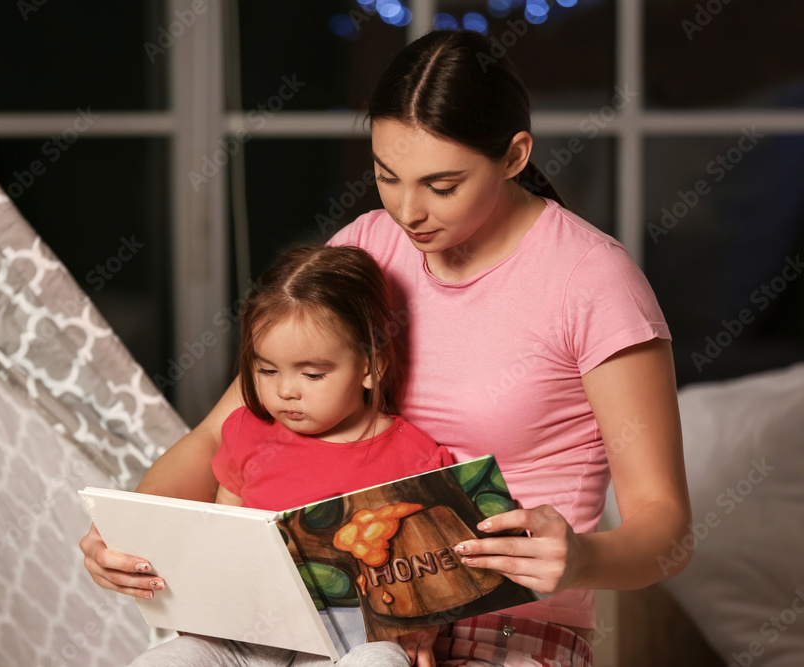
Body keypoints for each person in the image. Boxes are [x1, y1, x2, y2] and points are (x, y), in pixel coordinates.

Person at [81, 29, 692, 667]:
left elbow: (667, 531)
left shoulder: (591, 280)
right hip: (332, 614)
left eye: (442, 185)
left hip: (505, 626)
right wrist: (127, 534)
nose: (408, 211)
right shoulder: (368, 246)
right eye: (386, 177)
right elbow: (223, 432)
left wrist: (581, 557)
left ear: (514, 156)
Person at [131, 245, 453, 666]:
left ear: (371, 367)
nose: (286, 390)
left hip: (359, 637)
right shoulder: (247, 431)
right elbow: (224, 533)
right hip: (251, 633)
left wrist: (424, 623)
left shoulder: (414, 455)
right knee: (167, 659)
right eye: (267, 370)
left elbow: (439, 569)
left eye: (312, 374)